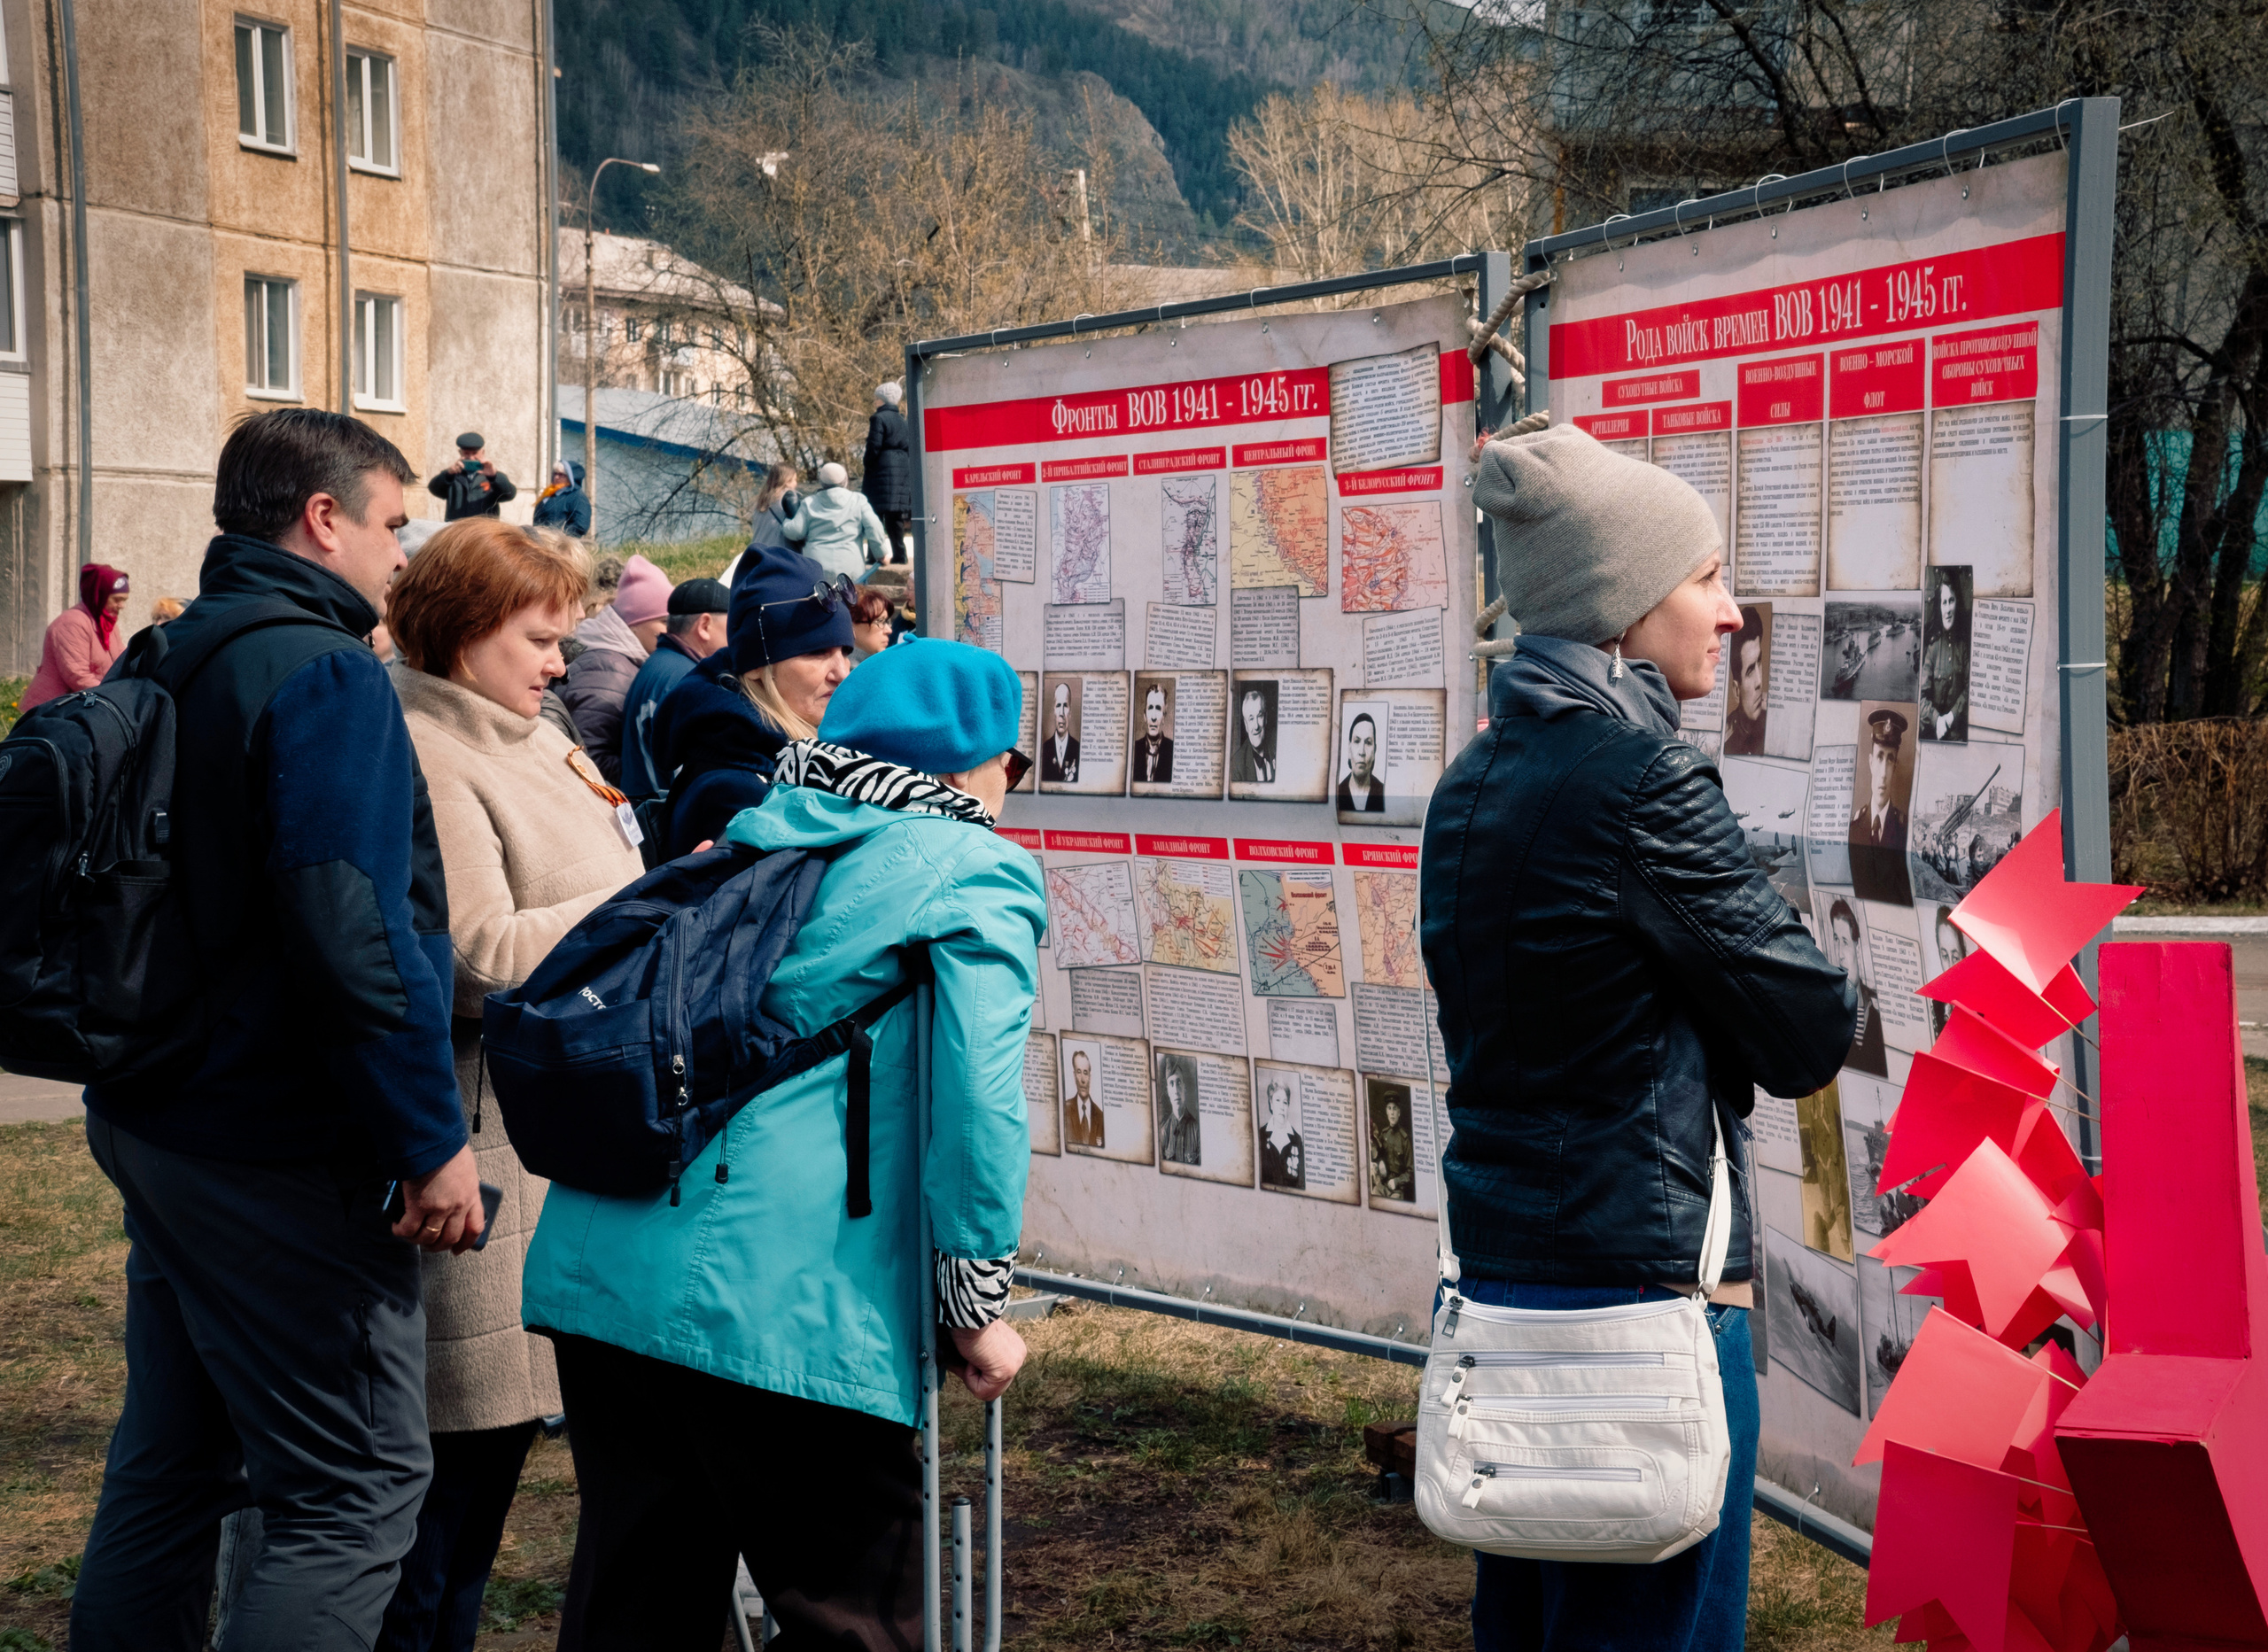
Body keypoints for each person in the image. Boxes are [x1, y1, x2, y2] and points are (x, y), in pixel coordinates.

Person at [521, 637, 1044, 1648]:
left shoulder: (755, 832)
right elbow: (979, 1103)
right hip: (785, 1301)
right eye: (1011, 762)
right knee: (855, 1611)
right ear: (970, 764)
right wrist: (974, 1306)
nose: (1012, 785)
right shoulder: (975, 868)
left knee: (637, 1601)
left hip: (606, 1268)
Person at [1432, 423, 1854, 1651]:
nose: (1729, 613)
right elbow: (1808, 1025)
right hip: (1644, 1310)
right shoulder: (1643, 781)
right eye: (1706, 578)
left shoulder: (1475, 781)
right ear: (1622, 604)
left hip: (1507, 1295)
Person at [68, 408, 482, 1651]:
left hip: (162, 1110)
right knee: (356, 1491)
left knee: (173, 1463)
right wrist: (429, 1136)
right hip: (273, 1139)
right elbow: (355, 933)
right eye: (393, 524)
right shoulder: (323, 669)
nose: (403, 555)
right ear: (324, 520)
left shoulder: (169, 648)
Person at [376, 519, 645, 1652]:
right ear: (464, 631)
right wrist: (648, 908)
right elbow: (477, 954)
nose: (560, 663)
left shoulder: (526, 730)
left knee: (474, 1507)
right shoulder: (431, 751)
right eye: (540, 638)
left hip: (546, 1145)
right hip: (480, 1150)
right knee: (440, 1510)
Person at [646, 546, 854, 861]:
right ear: (756, 667)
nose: (842, 672)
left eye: (845, 652)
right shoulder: (733, 790)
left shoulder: (788, 760)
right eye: (817, 652)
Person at [559, 553, 670, 782]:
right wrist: (654, 773)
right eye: (665, 622)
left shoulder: (619, 662)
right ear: (635, 623)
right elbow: (590, 761)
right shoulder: (609, 673)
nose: (670, 631)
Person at [618, 578, 730, 802]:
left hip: (647, 809)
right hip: (667, 815)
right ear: (705, 626)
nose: (737, 638)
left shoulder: (659, 664)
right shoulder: (685, 680)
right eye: (733, 626)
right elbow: (690, 775)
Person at [20, 563, 130, 712]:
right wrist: (115, 697)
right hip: (52, 711)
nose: (122, 605)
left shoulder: (107, 624)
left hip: (81, 705)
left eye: (125, 600)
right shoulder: (72, 623)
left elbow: (120, 661)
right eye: (117, 599)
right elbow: (78, 675)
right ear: (99, 595)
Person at [781, 461, 890, 578]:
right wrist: (881, 554)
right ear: (845, 480)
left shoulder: (809, 503)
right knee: (852, 596)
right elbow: (873, 526)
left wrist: (786, 521)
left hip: (817, 568)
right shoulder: (858, 500)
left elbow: (796, 531)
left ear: (821, 482)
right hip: (851, 567)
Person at [1848, 707, 1912, 904]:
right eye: (1879, 757)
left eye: (1890, 759)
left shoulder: (1906, 830)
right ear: (1870, 762)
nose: (1883, 772)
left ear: (1896, 766)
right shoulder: (1853, 827)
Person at [721, 465, 804, 587]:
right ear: (786, 481)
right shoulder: (789, 497)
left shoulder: (761, 500)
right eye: (794, 480)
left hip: (759, 557)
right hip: (781, 557)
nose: (796, 484)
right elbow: (799, 529)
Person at [863, 383, 913, 565]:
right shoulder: (903, 420)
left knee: (874, 515)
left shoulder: (878, 419)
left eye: (877, 398)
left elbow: (874, 446)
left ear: (882, 400)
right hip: (901, 470)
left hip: (881, 471)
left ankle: (873, 554)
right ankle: (900, 554)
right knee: (895, 517)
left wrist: (867, 463)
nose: (874, 401)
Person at [1920, 573, 1969, 741]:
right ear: (1939, 607)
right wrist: (1936, 719)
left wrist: (1951, 717)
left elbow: (1971, 689)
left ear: (1957, 604)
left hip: (1958, 737)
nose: (1948, 609)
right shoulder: (1932, 648)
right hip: (1932, 736)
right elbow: (1920, 697)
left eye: (1952, 601)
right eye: (1944, 602)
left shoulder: (1964, 647)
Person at [428, 432, 517, 522]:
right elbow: (434, 489)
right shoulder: (453, 475)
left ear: (483, 452)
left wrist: (494, 477)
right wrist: (448, 475)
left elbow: (509, 495)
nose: (471, 458)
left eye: (475, 453)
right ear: (460, 453)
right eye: (466, 453)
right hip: (457, 529)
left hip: (484, 531)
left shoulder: (492, 476)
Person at [1720, 605, 1767, 756]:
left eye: (1759, 662)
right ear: (1736, 690)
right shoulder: (1726, 743)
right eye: (1750, 671)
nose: (1760, 681)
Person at [1258, 1079, 1303, 1190]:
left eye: (1285, 1102)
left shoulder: (1297, 1140)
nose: (1282, 1107)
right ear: (1271, 1103)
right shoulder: (1261, 1136)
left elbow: (1301, 1183)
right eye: (1277, 1100)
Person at [1370, 1090, 1414, 1202]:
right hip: (1383, 1185)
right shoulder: (1384, 1134)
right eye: (1389, 1108)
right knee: (1373, 1194)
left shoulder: (1405, 1140)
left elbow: (1411, 1172)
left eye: (1395, 1109)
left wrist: (1397, 1182)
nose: (1392, 1113)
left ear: (1399, 1112)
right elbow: (1376, 1154)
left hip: (1397, 1190)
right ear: (1386, 1112)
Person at [531, 460, 592, 538]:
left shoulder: (577, 497)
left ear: (570, 477)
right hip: (542, 541)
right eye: (555, 474)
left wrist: (562, 538)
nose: (556, 477)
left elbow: (581, 525)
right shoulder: (549, 494)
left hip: (560, 545)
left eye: (561, 475)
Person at [1337, 711, 1384, 813]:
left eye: (1368, 743)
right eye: (1357, 741)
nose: (1362, 752)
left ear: (1374, 751)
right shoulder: (1336, 793)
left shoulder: (1385, 793)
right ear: (1349, 750)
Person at [1231, 684, 1276, 784]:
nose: (1256, 726)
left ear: (1266, 718)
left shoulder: (1278, 744)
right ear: (1246, 725)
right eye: (1251, 719)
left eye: (1260, 716)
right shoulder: (1237, 765)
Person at [1158, 1059, 1200, 1166]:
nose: (1176, 1090)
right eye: (1171, 1084)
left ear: (1184, 1088)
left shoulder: (1197, 1130)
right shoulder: (1163, 1132)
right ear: (1168, 1091)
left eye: (1179, 1082)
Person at [1063, 1050, 1106, 1149]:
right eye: (1079, 1072)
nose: (1082, 1080)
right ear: (1074, 1076)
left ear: (1090, 1077)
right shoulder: (1065, 1110)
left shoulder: (1100, 1116)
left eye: (1085, 1073)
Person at [1041, 680, 1081, 783]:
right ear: (1054, 711)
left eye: (1065, 706)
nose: (1062, 713)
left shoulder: (1078, 750)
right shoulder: (1044, 749)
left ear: (1070, 712)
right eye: (1058, 705)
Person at [1133, 683, 1175, 783]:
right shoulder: (1134, 748)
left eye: (1158, 708)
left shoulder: (1173, 750)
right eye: (1150, 708)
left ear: (1164, 717)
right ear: (1144, 716)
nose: (1154, 717)